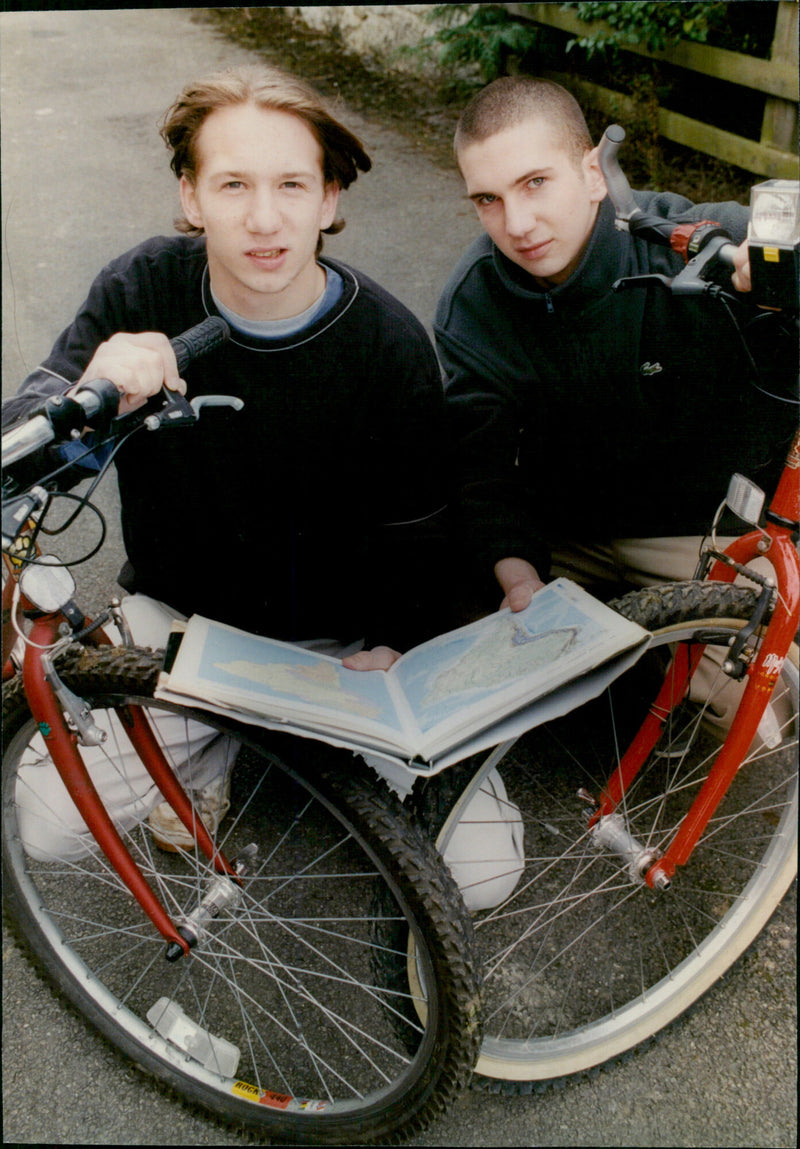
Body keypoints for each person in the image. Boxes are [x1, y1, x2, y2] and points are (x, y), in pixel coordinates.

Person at [3, 64, 450, 852]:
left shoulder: (388, 342)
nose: (265, 219)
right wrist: (93, 385)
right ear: (190, 196)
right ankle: (211, 750)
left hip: (340, 647)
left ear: (329, 200)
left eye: (291, 185)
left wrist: (400, 641)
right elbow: (24, 453)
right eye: (234, 185)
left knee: (479, 868)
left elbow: (421, 526)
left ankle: (273, 741)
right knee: (49, 820)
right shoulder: (141, 290)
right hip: (184, 631)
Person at [435, 75, 797, 618]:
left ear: (592, 172)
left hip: (702, 538)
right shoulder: (473, 303)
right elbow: (479, 471)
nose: (517, 224)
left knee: (763, 693)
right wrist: (517, 576)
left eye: (534, 182)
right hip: (562, 542)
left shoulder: (697, 241)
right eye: (489, 199)